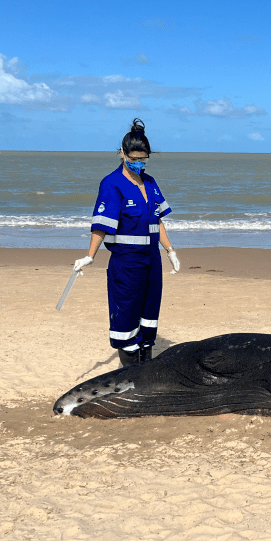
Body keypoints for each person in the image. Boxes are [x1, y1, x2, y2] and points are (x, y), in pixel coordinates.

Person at [73, 118, 180, 366]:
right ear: (122, 154)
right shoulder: (111, 184)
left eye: (143, 159)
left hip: (152, 261)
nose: (139, 163)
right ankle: (131, 376)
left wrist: (170, 250)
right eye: (134, 158)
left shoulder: (151, 183)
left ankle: (145, 372)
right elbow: (101, 225)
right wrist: (90, 256)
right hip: (127, 261)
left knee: (149, 320)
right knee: (126, 322)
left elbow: (158, 220)